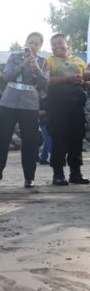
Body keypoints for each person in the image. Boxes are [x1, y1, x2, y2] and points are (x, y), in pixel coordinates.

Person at [0, 32, 47, 188]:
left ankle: (29, 177)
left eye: (36, 44)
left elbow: (45, 84)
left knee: (30, 141)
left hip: (30, 104)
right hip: (9, 102)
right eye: (30, 42)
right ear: (26, 42)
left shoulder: (44, 61)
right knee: (2, 139)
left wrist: (37, 68)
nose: (32, 46)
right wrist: (22, 65)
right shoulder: (14, 57)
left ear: (40, 46)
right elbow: (6, 77)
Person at [43, 34, 90, 185]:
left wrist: (84, 81)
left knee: (76, 138)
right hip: (57, 105)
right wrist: (68, 79)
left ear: (66, 43)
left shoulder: (79, 61)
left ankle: (76, 173)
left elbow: (84, 80)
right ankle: (58, 174)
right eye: (54, 44)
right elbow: (46, 80)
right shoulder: (48, 61)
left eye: (60, 43)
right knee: (59, 139)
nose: (58, 46)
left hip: (77, 104)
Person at [38, 89, 51, 165]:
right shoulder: (39, 100)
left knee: (48, 140)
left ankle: (43, 158)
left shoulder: (49, 98)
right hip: (44, 123)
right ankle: (53, 156)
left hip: (48, 122)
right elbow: (37, 112)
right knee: (49, 139)